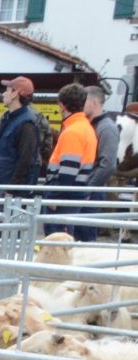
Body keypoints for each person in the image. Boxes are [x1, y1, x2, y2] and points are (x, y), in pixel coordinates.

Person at [44, 82, 98, 226]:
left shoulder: (72, 131)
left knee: (57, 241)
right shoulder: (86, 128)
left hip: (64, 197)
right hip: (75, 193)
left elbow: (68, 170)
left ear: (62, 105)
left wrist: (55, 198)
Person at [0, 77, 44, 196]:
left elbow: (26, 160)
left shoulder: (27, 124)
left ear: (15, 94)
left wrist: (11, 190)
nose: (3, 94)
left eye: (7, 90)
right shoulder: (9, 118)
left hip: (6, 192)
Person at [80, 85, 120, 243]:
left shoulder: (106, 128)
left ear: (94, 103)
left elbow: (108, 164)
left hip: (91, 190)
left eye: (84, 101)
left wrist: (88, 188)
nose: (80, 105)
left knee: (85, 235)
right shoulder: (93, 125)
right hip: (87, 188)